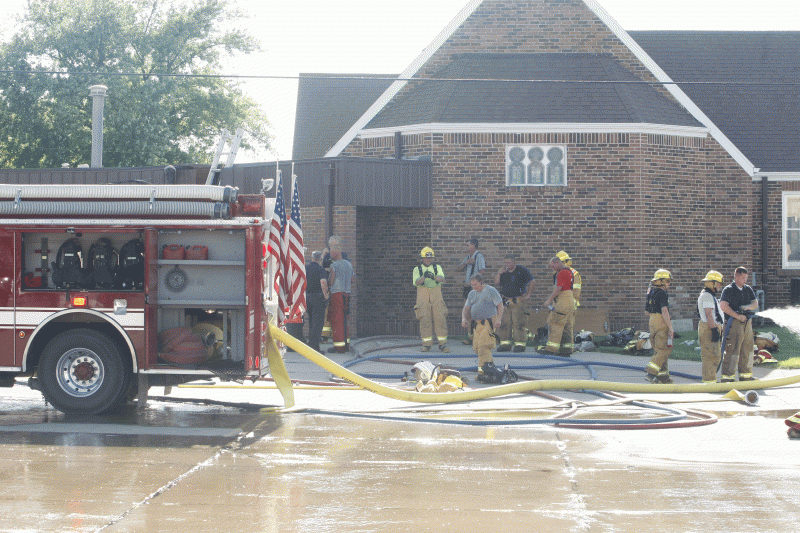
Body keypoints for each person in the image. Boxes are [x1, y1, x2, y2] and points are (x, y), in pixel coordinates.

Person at [719, 266, 759, 382]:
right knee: (732, 349)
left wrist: (747, 307)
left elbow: (755, 303)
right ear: (736, 276)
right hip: (734, 323)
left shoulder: (747, 289)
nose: (745, 280)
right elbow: (723, 306)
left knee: (747, 348)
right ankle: (728, 377)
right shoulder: (729, 290)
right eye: (743, 278)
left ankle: (746, 376)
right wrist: (738, 316)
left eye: (746, 278)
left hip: (747, 323)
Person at [461, 274, 503, 374]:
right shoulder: (472, 293)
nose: (474, 287)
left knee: (484, 345)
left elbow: (500, 305)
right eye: (472, 285)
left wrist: (498, 319)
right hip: (477, 323)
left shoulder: (490, 291)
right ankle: (490, 367)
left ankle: (483, 371)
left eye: (476, 284)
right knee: (476, 347)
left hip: (489, 321)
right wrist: (464, 318)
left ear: (481, 282)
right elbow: (466, 308)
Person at [494, 254, 533, 352]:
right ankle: (505, 344)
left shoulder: (521, 270)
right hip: (505, 301)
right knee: (504, 323)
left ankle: (520, 345)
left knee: (518, 323)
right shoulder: (503, 271)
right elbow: (496, 283)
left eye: (508, 262)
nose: (506, 264)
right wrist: (499, 273)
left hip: (518, 301)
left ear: (514, 262)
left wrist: (528, 295)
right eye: (505, 262)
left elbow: (532, 281)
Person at [413, 247, 449, 353]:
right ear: (422, 258)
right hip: (423, 295)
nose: (428, 260)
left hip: (436, 294)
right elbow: (416, 282)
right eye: (426, 258)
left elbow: (442, 279)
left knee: (440, 318)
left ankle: (442, 344)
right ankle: (427, 345)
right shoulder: (417, 269)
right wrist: (424, 277)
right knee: (425, 319)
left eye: (430, 258)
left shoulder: (437, 267)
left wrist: (433, 277)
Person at [539, 256, 575, 356]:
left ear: (557, 262)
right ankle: (566, 350)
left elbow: (558, 288)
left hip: (563, 301)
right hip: (570, 301)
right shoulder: (569, 272)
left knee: (556, 325)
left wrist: (549, 300)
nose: (552, 269)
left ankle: (551, 349)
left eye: (552, 266)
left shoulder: (562, 273)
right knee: (567, 327)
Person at [644, 269, 674, 383]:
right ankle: (651, 372)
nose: (669, 284)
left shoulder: (651, 292)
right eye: (667, 281)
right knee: (664, 349)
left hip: (652, 320)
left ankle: (663, 377)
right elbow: (664, 311)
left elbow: (646, 312)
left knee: (658, 349)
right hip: (661, 321)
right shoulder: (662, 293)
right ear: (661, 281)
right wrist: (670, 327)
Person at [456, 238, 486, 344]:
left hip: (475, 289)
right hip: (467, 289)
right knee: (468, 312)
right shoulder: (468, 257)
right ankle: (471, 337)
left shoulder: (479, 256)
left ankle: (479, 337)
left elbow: (482, 271)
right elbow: (458, 269)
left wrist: (473, 283)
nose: (466, 247)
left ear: (474, 246)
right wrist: (466, 263)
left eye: (468, 245)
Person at [697, 270, 725, 383]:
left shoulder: (708, 295)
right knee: (710, 355)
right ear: (712, 283)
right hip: (709, 328)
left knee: (715, 355)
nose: (720, 286)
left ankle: (710, 379)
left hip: (711, 327)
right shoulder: (707, 296)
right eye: (718, 283)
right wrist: (714, 330)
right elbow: (708, 314)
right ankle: (709, 381)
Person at [326, 244, 353, 354]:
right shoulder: (349, 265)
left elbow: (331, 281)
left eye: (332, 251)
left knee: (337, 320)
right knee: (345, 319)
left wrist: (328, 281)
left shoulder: (334, 265)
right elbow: (352, 279)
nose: (330, 254)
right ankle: (346, 344)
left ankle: (339, 347)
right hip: (347, 294)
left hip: (336, 294)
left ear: (337, 252)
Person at [304, 251, 329, 352]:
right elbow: (323, 282)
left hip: (307, 297)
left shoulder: (306, 268)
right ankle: (314, 348)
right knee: (317, 323)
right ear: (320, 259)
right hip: (318, 298)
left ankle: (311, 345)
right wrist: (326, 295)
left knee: (311, 321)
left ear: (312, 257)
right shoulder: (320, 269)